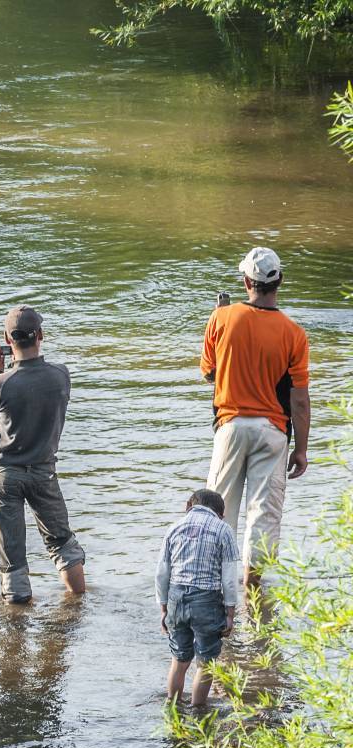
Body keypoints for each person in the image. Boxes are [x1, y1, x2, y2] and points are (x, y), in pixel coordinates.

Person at [201, 246, 311, 588]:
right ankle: (253, 595)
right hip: (273, 432)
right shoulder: (294, 333)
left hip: (230, 427)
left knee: (217, 511)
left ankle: (215, 589)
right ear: (280, 282)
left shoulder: (221, 317)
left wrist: (221, 319)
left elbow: (210, 375)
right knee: (263, 516)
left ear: (246, 281)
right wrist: (302, 450)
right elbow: (300, 399)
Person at [0, 306, 86, 604]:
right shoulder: (60, 375)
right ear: (40, 335)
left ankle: (17, 618)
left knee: (12, 554)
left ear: (7, 339)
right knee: (62, 542)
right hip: (43, 470)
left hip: (3, 473)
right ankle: (77, 602)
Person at [156, 489, 239, 707]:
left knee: (179, 660)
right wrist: (230, 613)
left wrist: (164, 608)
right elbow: (229, 579)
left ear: (188, 506)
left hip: (176, 597)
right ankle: (198, 710)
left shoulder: (174, 528)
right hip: (207, 601)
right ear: (221, 513)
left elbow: (162, 573)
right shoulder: (223, 530)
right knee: (205, 663)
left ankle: (173, 708)